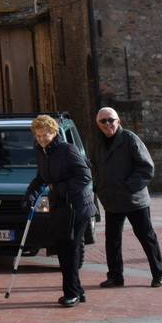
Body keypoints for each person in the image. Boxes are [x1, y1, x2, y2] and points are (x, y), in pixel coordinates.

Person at [92, 107, 162, 288]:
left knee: (146, 237)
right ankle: (115, 277)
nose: (108, 124)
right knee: (112, 241)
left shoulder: (130, 139)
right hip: (111, 200)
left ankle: (159, 273)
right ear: (98, 124)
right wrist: (98, 187)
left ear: (118, 121)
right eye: (103, 121)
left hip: (134, 200)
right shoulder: (97, 143)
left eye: (111, 120)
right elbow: (93, 167)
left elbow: (146, 168)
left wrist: (128, 187)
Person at [25, 114, 94, 307]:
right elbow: (42, 177)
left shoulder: (67, 150)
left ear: (54, 132)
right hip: (60, 206)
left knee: (69, 250)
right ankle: (78, 291)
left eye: (45, 134)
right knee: (63, 249)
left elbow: (85, 176)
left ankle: (71, 293)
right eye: (38, 135)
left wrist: (60, 188)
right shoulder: (41, 151)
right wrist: (30, 194)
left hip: (77, 207)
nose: (41, 139)